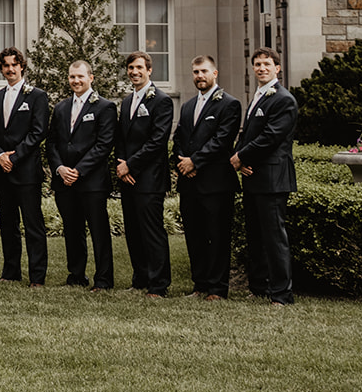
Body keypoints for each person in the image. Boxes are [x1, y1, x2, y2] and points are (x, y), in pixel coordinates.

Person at [231, 47, 299, 305]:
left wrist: (242, 157)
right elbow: (247, 134)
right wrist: (240, 157)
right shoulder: (258, 96)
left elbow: (271, 137)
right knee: (256, 237)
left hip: (272, 180)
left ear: (277, 68)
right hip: (253, 178)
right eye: (257, 64)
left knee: (274, 238)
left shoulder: (284, 99)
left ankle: (282, 294)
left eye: (266, 64)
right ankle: (259, 287)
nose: (261, 68)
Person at [174, 55, 241, 300]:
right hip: (189, 182)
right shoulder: (188, 106)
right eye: (195, 72)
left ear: (215, 73)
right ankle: (200, 285)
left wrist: (196, 161)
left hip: (216, 184)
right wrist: (183, 162)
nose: (199, 76)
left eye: (203, 71)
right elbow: (179, 138)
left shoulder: (229, 104)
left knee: (218, 236)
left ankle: (217, 288)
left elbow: (222, 141)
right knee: (194, 236)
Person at [47, 59, 116, 290]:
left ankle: (104, 279)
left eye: (80, 76)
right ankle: (76, 275)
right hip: (64, 181)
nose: (75, 81)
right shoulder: (61, 108)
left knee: (98, 231)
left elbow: (103, 145)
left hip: (92, 181)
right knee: (72, 230)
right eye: (72, 77)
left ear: (91, 78)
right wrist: (60, 169)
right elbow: (52, 143)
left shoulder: (104, 107)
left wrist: (79, 170)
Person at [0, 46, 49, 286]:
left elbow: (38, 131)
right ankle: (11, 272)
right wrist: (0, 155)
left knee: (33, 224)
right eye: (5, 65)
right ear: (1, 68)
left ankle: (37, 276)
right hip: (2, 171)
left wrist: (15, 157)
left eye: (14, 64)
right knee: (8, 223)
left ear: (22, 66)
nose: (10, 69)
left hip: (26, 171)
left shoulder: (36, 96)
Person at [116, 50, 174, 297]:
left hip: (149, 179)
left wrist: (132, 165)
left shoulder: (161, 100)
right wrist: (121, 165)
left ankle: (159, 285)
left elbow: (157, 140)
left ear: (149, 70)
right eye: (131, 68)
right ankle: (140, 279)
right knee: (133, 231)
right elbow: (121, 137)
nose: (134, 72)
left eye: (139, 67)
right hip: (128, 177)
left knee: (152, 232)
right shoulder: (128, 100)